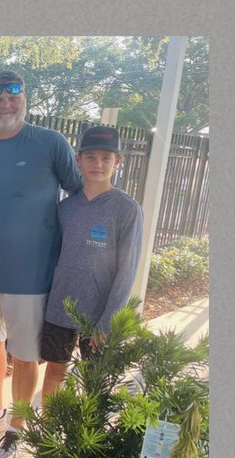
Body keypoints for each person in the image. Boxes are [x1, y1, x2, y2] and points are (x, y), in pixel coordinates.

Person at [0, 70, 83, 458]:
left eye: (14, 95)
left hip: (33, 277)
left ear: (25, 100)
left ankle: (17, 431)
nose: (5, 103)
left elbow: (80, 196)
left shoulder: (50, 143)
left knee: (25, 355)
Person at [40, 125, 143, 380]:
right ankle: (52, 421)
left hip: (98, 314)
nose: (98, 164)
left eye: (106, 158)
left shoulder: (126, 209)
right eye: (91, 157)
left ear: (117, 162)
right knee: (54, 371)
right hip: (59, 308)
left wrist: (107, 323)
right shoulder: (65, 208)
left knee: (95, 379)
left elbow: (127, 271)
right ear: (78, 159)